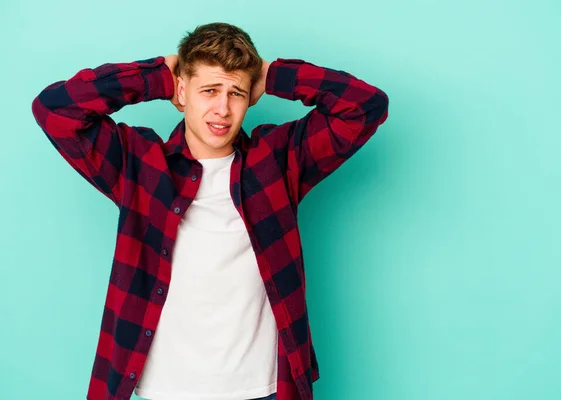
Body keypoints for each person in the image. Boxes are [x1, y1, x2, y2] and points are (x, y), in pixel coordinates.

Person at [31, 22, 389, 400]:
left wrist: (273, 75)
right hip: (168, 389)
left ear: (251, 94)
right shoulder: (139, 162)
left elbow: (366, 106)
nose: (222, 108)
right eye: (209, 90)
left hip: (264, 387)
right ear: (182, 90)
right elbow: (55, 110)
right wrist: (155, 77)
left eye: (236, 92)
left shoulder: (279, 159)